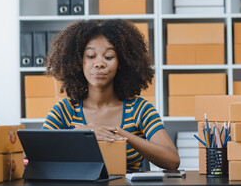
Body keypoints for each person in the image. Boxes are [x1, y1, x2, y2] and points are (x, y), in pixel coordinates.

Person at [42, 19, 180, 171]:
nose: (99, 63)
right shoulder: (64, 110)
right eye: (90, 56)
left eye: (108, 57)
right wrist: (79, 134)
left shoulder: (140, 109)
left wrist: (119, 134)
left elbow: (172, 160)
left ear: (121, 62)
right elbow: (37, 156)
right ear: (79, 61)